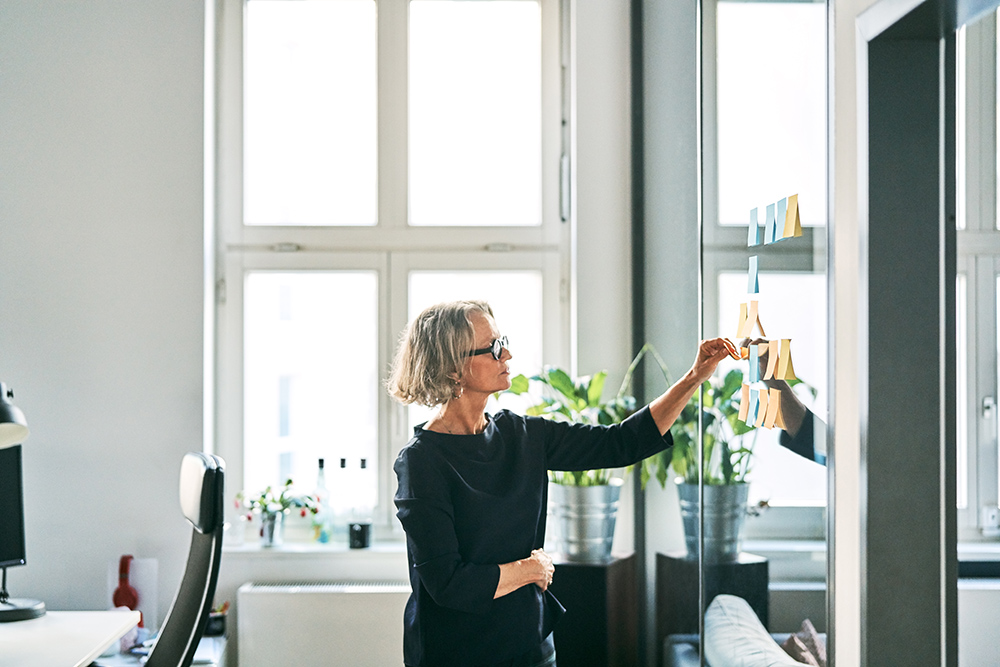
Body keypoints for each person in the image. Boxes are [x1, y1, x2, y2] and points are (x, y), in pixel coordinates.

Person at [388, 300, 731, 667]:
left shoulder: (522, 435)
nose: (507, 353)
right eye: (492, 348)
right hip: (457, 652)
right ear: (454, 369)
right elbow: (448, 583)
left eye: (502, 340)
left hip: (529, 644)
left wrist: (695, 376)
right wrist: (529, 570)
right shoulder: (421, 462)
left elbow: (621, 443)